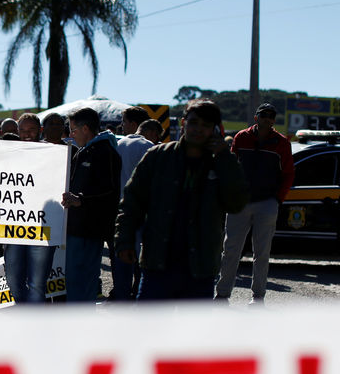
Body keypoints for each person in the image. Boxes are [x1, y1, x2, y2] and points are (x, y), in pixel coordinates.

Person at [115, 99, 249, 300]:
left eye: (205, 125)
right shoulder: (158, 157)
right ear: (184, 122)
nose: (198, 129)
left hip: (200, 269)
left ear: (214, 129)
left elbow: (236, 203)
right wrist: (124, 240)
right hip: (157, 263)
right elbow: (132, 202)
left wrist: (224, 157)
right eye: (194, 123)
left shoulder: (220, 163)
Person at [215, 102, 294, 304]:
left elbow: (288, 174)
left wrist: (277, 199)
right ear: (256, 117)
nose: (267, 118)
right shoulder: (242, 137)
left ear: (274, 120)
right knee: (230, 250)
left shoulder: (282, 143)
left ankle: (258, 297)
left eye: (271, 115)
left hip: (267, 203)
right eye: (263, 114)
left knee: (262, 253)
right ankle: (222, 294)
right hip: (239, 202)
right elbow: (231, 167)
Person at [61, 108, 121, 303]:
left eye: (73, 130)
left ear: (85, 128)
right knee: (76, 282)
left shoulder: (104, 152)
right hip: (78, 228)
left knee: (82, 282)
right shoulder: (86, 151)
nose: (70, 135)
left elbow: (110, 192)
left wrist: (80, 200)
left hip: (89, 230)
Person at [3, 113, 55, 303]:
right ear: (17, 131)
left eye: (31, 129)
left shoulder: (53, 153)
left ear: (40, 130)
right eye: (23, 130)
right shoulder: (8, 154)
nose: (27, 134)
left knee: (37, 283)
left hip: (42, 226)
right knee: (13, 278)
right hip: (14, 224)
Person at [112, 118, 162, 300]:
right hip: (142, 210)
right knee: (143, 257)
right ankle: (140, 294)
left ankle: (121, 296)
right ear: (152, 133)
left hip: (119, 209)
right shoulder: (149, 147)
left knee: (121, 256)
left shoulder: (118, 144)